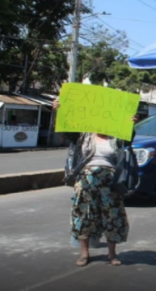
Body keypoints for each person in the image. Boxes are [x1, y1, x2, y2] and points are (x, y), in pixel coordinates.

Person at [52, 99, 135, 267]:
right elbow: (65, 128)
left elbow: (129, 140)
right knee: (84, 216)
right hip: (86, 180)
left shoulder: (116, 137)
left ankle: (112, 254)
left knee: (112, 216)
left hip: (110, 182)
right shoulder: (84, 135)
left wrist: (131, 124)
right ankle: (84, 253)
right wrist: (58, 110)